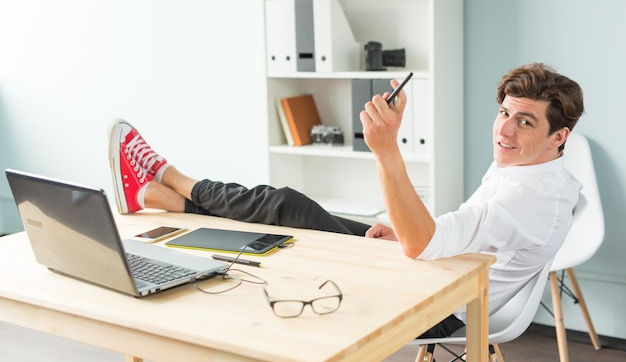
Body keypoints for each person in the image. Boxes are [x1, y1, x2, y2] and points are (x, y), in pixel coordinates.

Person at [108, 62, 585, 338]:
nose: (504, 129)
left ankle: (166, 176)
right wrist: (407, 233)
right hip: (444, 269)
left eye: (524, 121)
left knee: (287, 214)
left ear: (557, 135)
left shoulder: (528, 195)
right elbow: (468, 232)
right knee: (287, 216)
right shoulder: (535, 167)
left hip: (439, 303)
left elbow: (429, 243)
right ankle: (159, 194)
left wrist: (385, 150)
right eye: (504, 113)